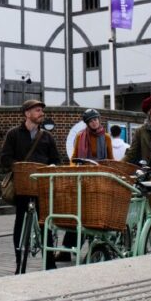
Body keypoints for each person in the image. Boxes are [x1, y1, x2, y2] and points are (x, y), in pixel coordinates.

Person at [0, 99, 61, 272]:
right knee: (20, 221)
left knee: (44, 224)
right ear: (27, 113)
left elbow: (56, 160)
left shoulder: (47, 137)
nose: (41, 113)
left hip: (41, 186)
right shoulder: (13, 134)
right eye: (37, 110)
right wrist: (19, 167)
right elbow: (4, 158)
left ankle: (50, 263)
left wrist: (52, 167)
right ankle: (19, 261)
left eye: (41, 110)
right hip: (22, 185)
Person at [59, 109, 114, 260]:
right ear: (87, 123)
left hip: (100, 179)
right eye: (91, 121)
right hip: (83, 179)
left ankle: (95, 249)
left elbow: (111, 159)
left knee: (96, 215)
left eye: (96, 119)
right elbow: (75, 156)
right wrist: (73, 171)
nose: (94, 122)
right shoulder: (80, 136)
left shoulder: (106, 137)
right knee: (78, 214)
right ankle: (67, 249)